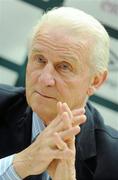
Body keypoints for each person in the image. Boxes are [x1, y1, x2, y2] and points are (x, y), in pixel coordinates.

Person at [0, 6, 118, 180]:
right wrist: (19, 165)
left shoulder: (113, 158)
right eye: (40, 60)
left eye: (64, 67)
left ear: (95, 81)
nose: (45, 79)